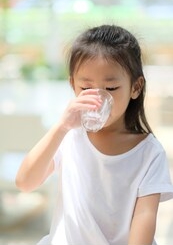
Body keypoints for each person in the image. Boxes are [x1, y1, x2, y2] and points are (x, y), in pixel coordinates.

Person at [15, 24, 173, 245]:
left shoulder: (148, 152)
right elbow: (25, 182)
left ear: (136, 88)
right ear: (73, 85)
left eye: (111, 89)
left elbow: (145, 217)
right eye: (86, 89)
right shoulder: (70, 136)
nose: (98, 99)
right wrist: (61, 126)